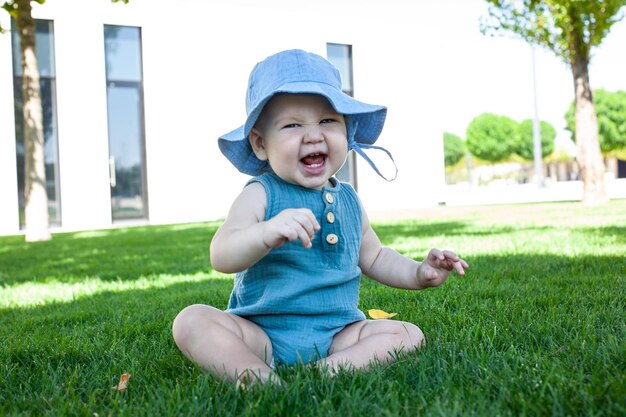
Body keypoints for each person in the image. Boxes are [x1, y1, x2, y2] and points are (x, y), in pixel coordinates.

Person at [172, 49, 469, 386]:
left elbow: (376, 256)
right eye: (292, 125)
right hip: (261, 336)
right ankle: (256, 376)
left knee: (407, 333)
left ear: (347, 130)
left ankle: (325, 370)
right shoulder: (261, 193)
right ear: (259, 144)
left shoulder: (349, 200)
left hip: (337, 335)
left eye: (328, 121)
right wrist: (266, 232)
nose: (313, 135)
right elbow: (222, 253)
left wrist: (419, 272)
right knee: (191, 320)